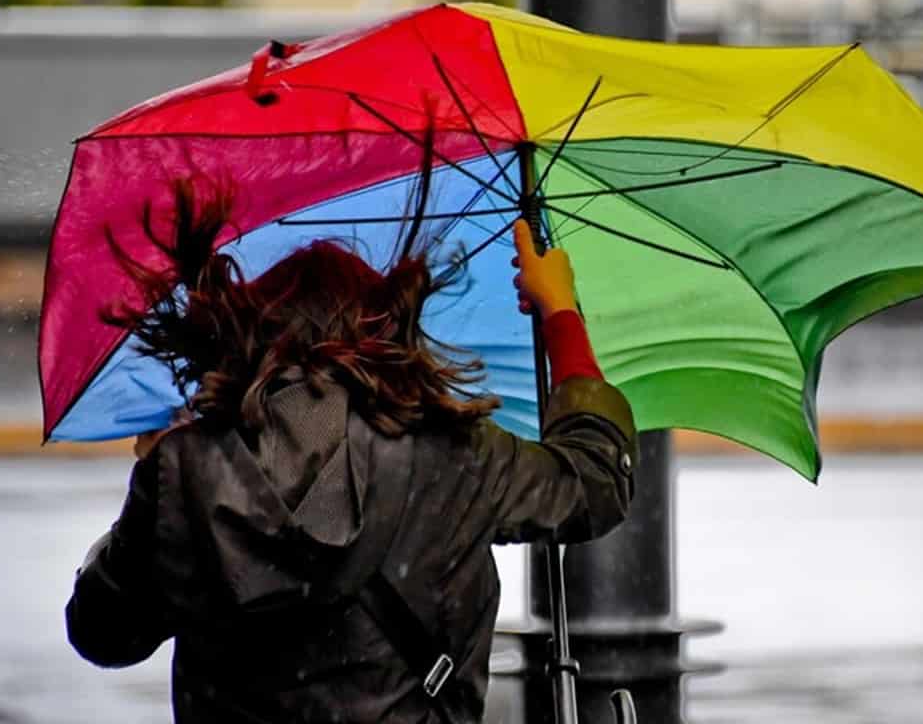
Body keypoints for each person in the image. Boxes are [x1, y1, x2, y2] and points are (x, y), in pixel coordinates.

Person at [64, 179, 638, 723]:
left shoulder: (188, 467)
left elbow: (104, 633)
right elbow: (594, 481)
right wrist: (560, 311)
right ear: (384, 337)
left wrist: (157, 484)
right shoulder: (458, 452)